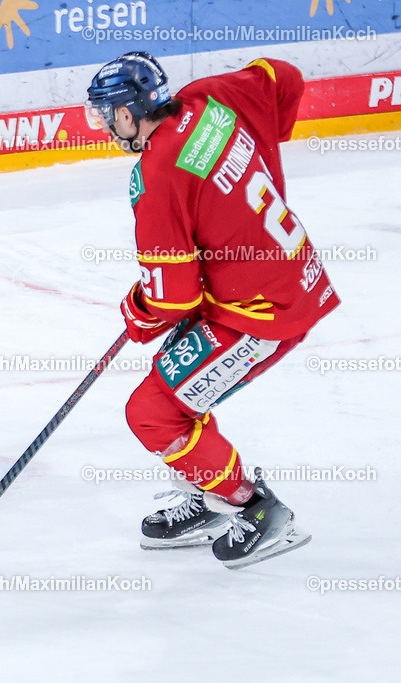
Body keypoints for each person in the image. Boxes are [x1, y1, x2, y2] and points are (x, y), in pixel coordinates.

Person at [84, 52, 340, 567]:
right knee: (176, 392)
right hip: (282, 277)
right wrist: (263, 154)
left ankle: (255, 507)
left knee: (154, 414)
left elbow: (172, 300)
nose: (106, 128)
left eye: (106, 115)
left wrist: (138, 312)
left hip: (262, 313)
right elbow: (283, 75)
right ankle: (210, 495)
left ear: (128, 114)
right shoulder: (213, 97)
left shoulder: (158, 177)